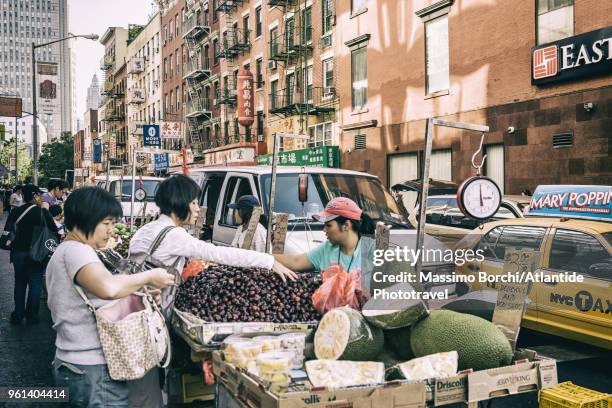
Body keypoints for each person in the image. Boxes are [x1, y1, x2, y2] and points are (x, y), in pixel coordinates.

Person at [128, 175, 297, 408]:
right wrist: (267, 261)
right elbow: (217, 253)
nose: (198, 209)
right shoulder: (173, 234)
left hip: (134, 313)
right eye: (195, 203)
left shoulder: (147, 229)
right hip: (147, 319)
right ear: (180, 202)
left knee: (143, 383)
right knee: (146, 391)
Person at [46, 186, 175, 407]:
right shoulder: (77, 251)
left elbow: (97, 295)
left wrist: (136, 294)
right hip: (92, 369)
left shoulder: (68, 250)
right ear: (85, 219)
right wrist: (149, 276)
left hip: (78, 365)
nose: (111, 230)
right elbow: (108, 288)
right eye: (106, 223)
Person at [274, 197, 376, 294]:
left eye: (328, 225)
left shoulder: (373, 251)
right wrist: (264, 258)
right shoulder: (326, 249)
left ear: (346, 225)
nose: (324, 230)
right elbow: (295, 261)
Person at [6, 184, 58, 325]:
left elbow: (7, 231)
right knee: (35, 284)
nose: (42, 198)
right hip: (37, 254)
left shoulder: (16, 212)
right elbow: (54, 231)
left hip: (18, 253)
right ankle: (32, 315)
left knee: (20, 284)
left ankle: (18, 315)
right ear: (34, 196)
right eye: (40, 195)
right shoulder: (42, 213)